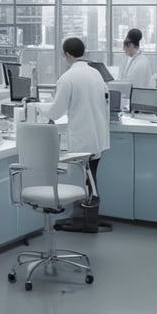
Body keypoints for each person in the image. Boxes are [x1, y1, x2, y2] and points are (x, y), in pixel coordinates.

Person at [39, 37, 111, 233]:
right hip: (97, 135)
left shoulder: (68, 78)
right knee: (91, 179)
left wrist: (37, 106)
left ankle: (84, 222)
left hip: (82, 138)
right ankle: (89, 220)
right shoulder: (96, 73)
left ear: (67, 54)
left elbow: (55, 112)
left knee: (83, 180)